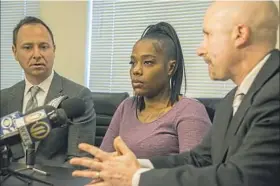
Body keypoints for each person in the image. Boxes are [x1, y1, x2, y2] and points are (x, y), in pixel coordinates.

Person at [70, 1, 280, 186]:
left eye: (208, 35)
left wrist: (135, 178)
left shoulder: (275, 94)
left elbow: (241, 178)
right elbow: (199, 159)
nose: (200, 49)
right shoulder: (231, 101)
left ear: (240, 34)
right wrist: (133, 165)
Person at [100, 22, 211, 158]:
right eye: (133, 63)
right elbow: (102, 160)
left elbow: (193, 175)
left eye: (148, 62)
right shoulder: (127, 106)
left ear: (170, 68)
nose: (136, 70)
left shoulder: (190, 111)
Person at [0, 16, 96, 167]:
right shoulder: (4, 98)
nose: (37, 54)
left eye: (44, 47)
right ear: (14, 52)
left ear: (54, 50)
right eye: (27, 47)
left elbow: (78, 161)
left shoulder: (78, 96)